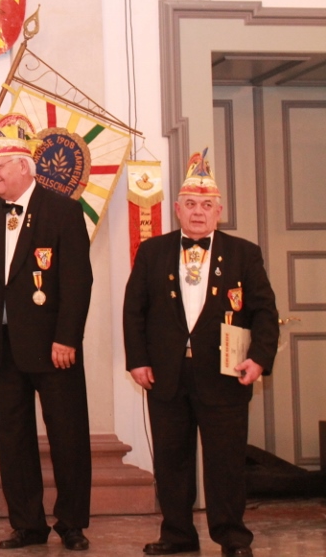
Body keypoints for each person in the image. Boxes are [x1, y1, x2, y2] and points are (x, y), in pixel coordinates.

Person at [123, 150, 279, 557]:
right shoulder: (152, 252)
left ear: (219, 212)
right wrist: (137, 360)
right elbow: (134, 310)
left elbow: (264, 312)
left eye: (206, 205)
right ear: (177, 209)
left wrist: (259, 359)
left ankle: (233, 538)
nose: (198, 212)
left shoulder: (245, 253)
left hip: (226, 375)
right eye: (190, 204)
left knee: (226, 463)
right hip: (166, 374)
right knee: (171, 461)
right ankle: (177, 535)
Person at [0, 118, 93, 551]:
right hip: (3, 347)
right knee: (13, 437)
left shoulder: (63, 210)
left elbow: (77, 281)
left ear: (24, 166)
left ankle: (72, 523)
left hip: (54, 347)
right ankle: (27, 524)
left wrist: (67, 338)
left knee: (68, 436)